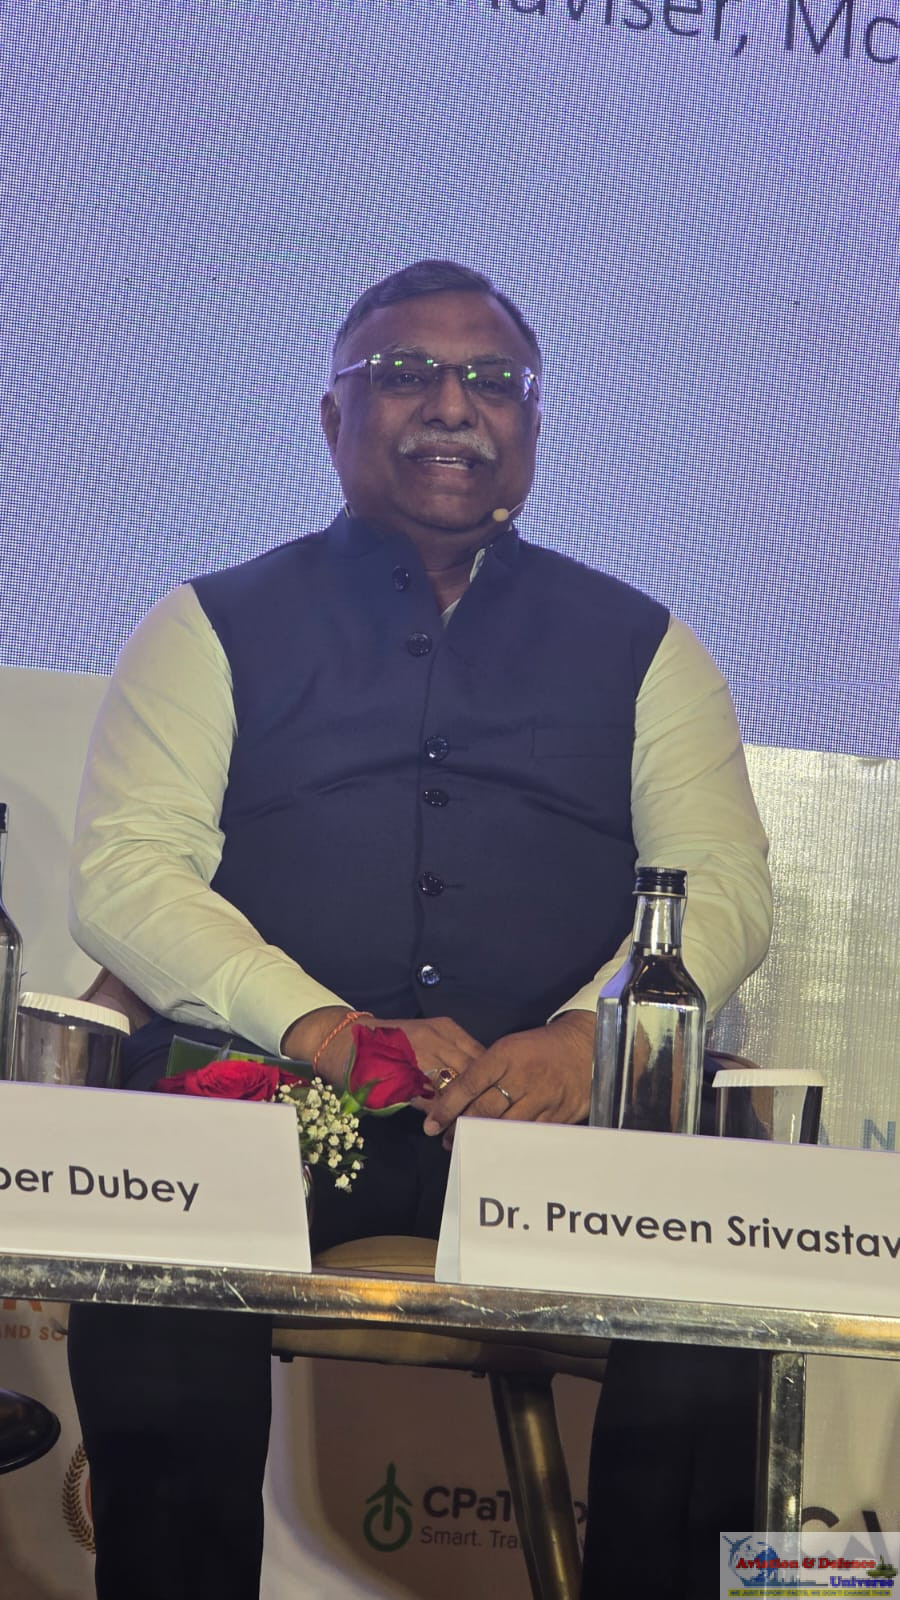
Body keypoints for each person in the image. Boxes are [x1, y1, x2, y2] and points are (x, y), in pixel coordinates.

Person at [67, 259, 773, 1599]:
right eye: (404, 374)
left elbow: (723, 882)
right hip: (281, 1098)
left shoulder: (649, 645)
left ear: (533, 422)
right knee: (160, 1220)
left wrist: (586, 1041)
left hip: (551, 1112)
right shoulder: (208, 623)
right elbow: (130, 873)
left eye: (493, 380)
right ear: (331, 416)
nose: (453, 405)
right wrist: (321, 1026)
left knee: (716, 1269)